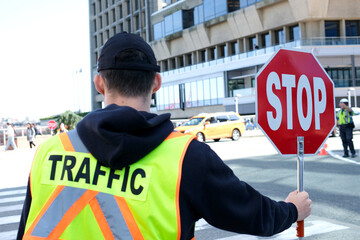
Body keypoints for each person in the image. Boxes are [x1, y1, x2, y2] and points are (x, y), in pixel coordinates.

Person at [17, 32, 311, 240]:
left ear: (99, 83)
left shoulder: (50, 151)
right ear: (156, 83)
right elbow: (251, 213)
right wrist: (291, 210)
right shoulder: (186, 158)